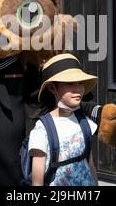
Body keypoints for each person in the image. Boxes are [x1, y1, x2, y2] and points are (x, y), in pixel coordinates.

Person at [28, 53, 99, 186]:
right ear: (52, 88)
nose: (77, 89)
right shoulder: (42, 130)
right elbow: (37, 182)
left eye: (80, 83)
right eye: (70, 83)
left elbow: (89, 163)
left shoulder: (85, 122)